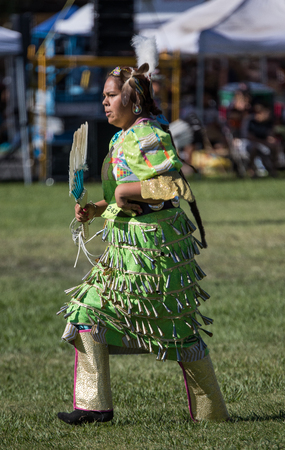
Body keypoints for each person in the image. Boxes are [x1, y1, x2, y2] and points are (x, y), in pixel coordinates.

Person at [57, 36, 229, 426]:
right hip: (127, 248)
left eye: (111, 95)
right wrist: (98, 207)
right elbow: (131, 194)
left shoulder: (149, 134)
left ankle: (211, 413)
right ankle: (94, 407)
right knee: (86, 311)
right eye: (104, 95)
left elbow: (170, 187)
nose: (104, 101)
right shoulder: (121, 137)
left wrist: (122, 190)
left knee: (179, 329)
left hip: (155, 251)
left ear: (132, 100)